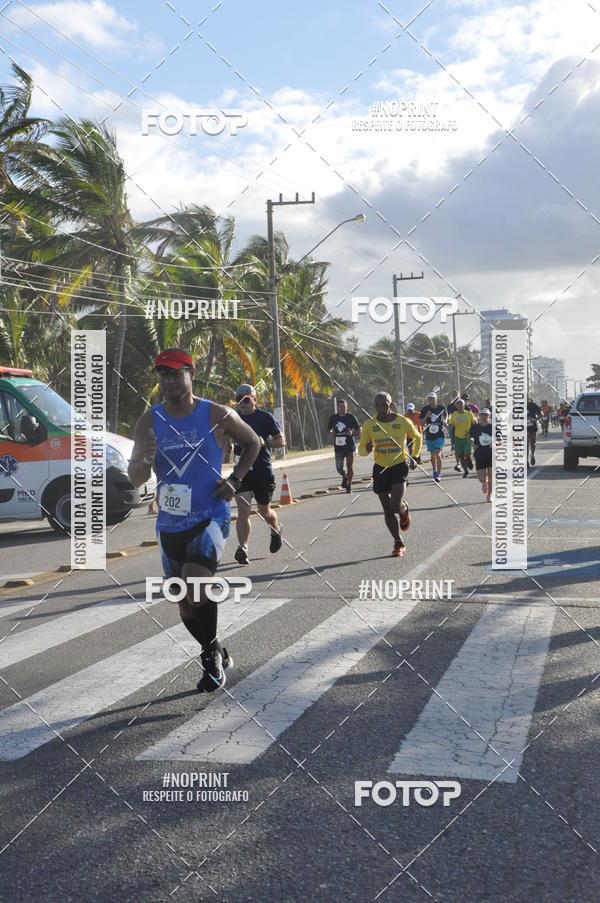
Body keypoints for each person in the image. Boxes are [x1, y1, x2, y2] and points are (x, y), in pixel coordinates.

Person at [128, 349, 260, 693]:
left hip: (210, 515)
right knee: (182, 600)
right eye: (163, 375)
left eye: (176, 373)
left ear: (191, 373)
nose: (169, 381)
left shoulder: (216, 414)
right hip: (170, 523)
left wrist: (235, 480)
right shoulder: (148, 420)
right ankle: (215, 648)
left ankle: (210, 662)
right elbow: (134, 477)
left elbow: (253, 442)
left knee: (197, 585)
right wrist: (145, 459)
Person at [358, 392, 422, 557]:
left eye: (384, 405)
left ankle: (404, 508)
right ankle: (398, 541)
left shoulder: (402, 421)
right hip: (380, 468)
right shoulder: (369, 425)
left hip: (398, 466)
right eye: (377, 405)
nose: (380, 408)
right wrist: (365, 448)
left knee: (395, 505)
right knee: (387, 510)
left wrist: (414, 456)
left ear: (390, 404)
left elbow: (417, 436)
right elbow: (362, 450)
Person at [229, 384, 286, 564]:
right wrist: (226, 445)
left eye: (246, 400)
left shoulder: (265, 418)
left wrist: (264, 442)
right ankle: (243, 548)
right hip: (242, 472)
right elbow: (223, 435)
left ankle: (276, 529)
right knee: (243, 510)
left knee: (264, 511)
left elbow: (281, 441)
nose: (243, 404)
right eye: (239, 400)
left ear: (254, 399)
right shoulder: (232, 418)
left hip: (262, 470)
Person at [327, 399, 361, 493]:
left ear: (347, 407)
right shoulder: (333, 418)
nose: (342, 408)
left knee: (349, 465)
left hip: (349, 446)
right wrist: (332, 433)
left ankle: (349, 485)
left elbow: (359, 430)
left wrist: (352, 433)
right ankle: (345, 476)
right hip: (338, 447)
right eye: (340, 406)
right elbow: (329, 429)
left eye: (344, 406)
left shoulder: (351, 417)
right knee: (339, 468)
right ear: (338, 408)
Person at [420, 391, 447, 482]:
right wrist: (426, 416)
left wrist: (445, 420)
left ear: (436, 398)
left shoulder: (441, 408)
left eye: (433, 398)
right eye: (430, 398)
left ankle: (438, 475)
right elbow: (421, 423)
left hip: (440, 434)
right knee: (432, 455)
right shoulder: (425, 409)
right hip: (429, 435)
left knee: (437, 453)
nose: (431, 400)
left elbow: (446, 416)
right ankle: (434, 470)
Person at [470, 408, 494, 502]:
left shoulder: (493, 427)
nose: (484, 417)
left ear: (489, 416)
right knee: (481, 478)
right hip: (479, 454)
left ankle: (490, 494)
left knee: (491, 473)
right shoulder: (475, 428)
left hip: (491, 453)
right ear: (479, 416)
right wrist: (472, 443)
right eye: (482, 415)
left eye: (486, 415)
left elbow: (501, 439)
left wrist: (495, 443)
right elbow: (469, 437)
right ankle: (484, 482)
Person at [448, 399, 476, 478]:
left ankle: (469, 462)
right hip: (458, 438)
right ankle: (466, 471)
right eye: (458, 405)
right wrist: (450, 426)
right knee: (460, 455)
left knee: (467, 454)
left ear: (464, 405)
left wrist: (471, 433)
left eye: (461, 404)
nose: (460, 406)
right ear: (456, 406)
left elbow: (474, 423)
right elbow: (450, 424)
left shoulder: (469, 414)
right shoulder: (454, 415)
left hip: (467, 438)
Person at [404, 402, 422, 470]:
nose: (410, 412)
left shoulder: (418, 414)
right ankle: (412, 461)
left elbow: (423, 419)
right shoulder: (405, 416)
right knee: (410, 449)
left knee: (417, 449)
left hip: (417, 435)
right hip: (409, 436)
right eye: (409, 410)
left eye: (411, 410)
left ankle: (418, 459)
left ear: (414, 409)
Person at [527, 397, 542, 466]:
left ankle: (532, 454)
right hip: (524, 428)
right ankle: (526, 460)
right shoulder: (519, 406)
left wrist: (534, 419)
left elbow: (540, 414)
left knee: (533, 442)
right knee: (525, 444)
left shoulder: (533, 405)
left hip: (533, 427)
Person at [446, 390, 460, 466]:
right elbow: (448, 414)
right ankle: (453, 446)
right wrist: (447, 420)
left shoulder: (462, 404)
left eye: (456, 394)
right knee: (452, 435)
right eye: (453, 394)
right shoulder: (450, 405)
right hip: (453, 424)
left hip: (462, 424)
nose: (454, 396)